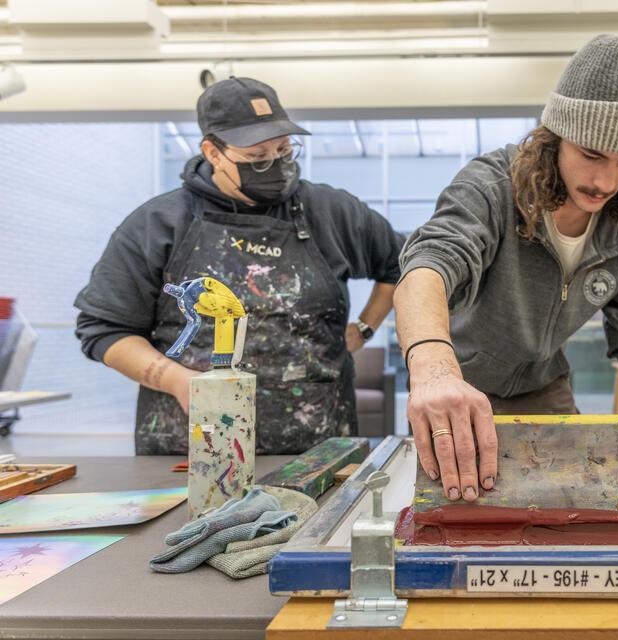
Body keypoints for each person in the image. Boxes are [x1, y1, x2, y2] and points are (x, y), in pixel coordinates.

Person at [394, 35, 618, 504]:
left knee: (570, 507)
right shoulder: (492, 187)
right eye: (592, 154)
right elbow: (428, 266)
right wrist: (434, 369)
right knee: (458, 511)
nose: (605, 180)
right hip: (459, 388)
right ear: (556, 136)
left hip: (546, 387)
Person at [75, 77, 404, 455]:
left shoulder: (331, 211)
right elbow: (104, 330)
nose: (275, 165)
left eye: (283, 150)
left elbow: (401, 266)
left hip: (316, 447)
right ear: (213, 152)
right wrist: (177, 380)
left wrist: (364, 328)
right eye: (257, 157)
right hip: (192, 448)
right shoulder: (158, 223)